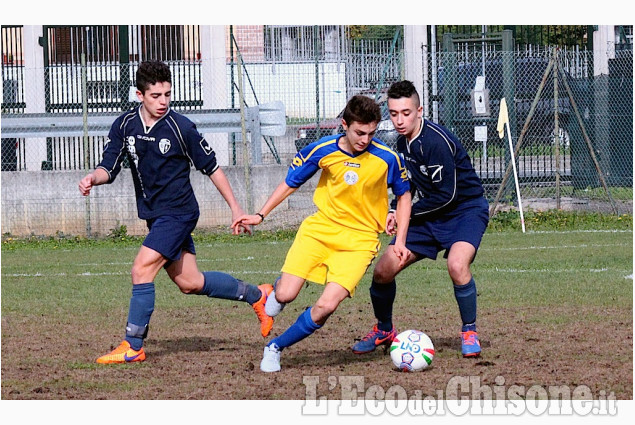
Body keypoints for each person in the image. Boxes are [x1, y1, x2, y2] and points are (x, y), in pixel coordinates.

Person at [78, 60, 274, 364]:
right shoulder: (124, 125)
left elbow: (214, 169)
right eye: (156, 95)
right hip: (156, 216)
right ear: (139, 95)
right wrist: (93, 177)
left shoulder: (181, 128)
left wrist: (236, 208)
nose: (163, 101)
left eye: (167, 94)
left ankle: (133, 345)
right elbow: (109, 166)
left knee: (141, 269)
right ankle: (256, 295)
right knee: (190, 282)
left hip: (179, 213)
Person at [232, 95, 412, 372]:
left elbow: (403, 196)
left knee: (327, 306)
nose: (365, 139)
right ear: (345, 125)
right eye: (359, 132)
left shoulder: (386, 158)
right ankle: (275, 292)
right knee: (287, 294)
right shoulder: (323, 149)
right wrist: (260, 214)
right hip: (319, 231)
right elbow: (290, 183)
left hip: (360, 242)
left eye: (371, 133)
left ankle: (275, 347)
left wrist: (399, 240)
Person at [351, 80, 489, 358]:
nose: (399, 120)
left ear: (419, 110)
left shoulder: (436, 141)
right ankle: (384, 330)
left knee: (457, 264)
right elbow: (408, 184)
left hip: (464, 211)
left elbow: (447, 196)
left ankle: (469, 331)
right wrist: (394, 208)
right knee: (383, 270)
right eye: (393, 113)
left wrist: (405, 216)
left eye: (406, 113)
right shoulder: (402, 143)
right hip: (431, 214)